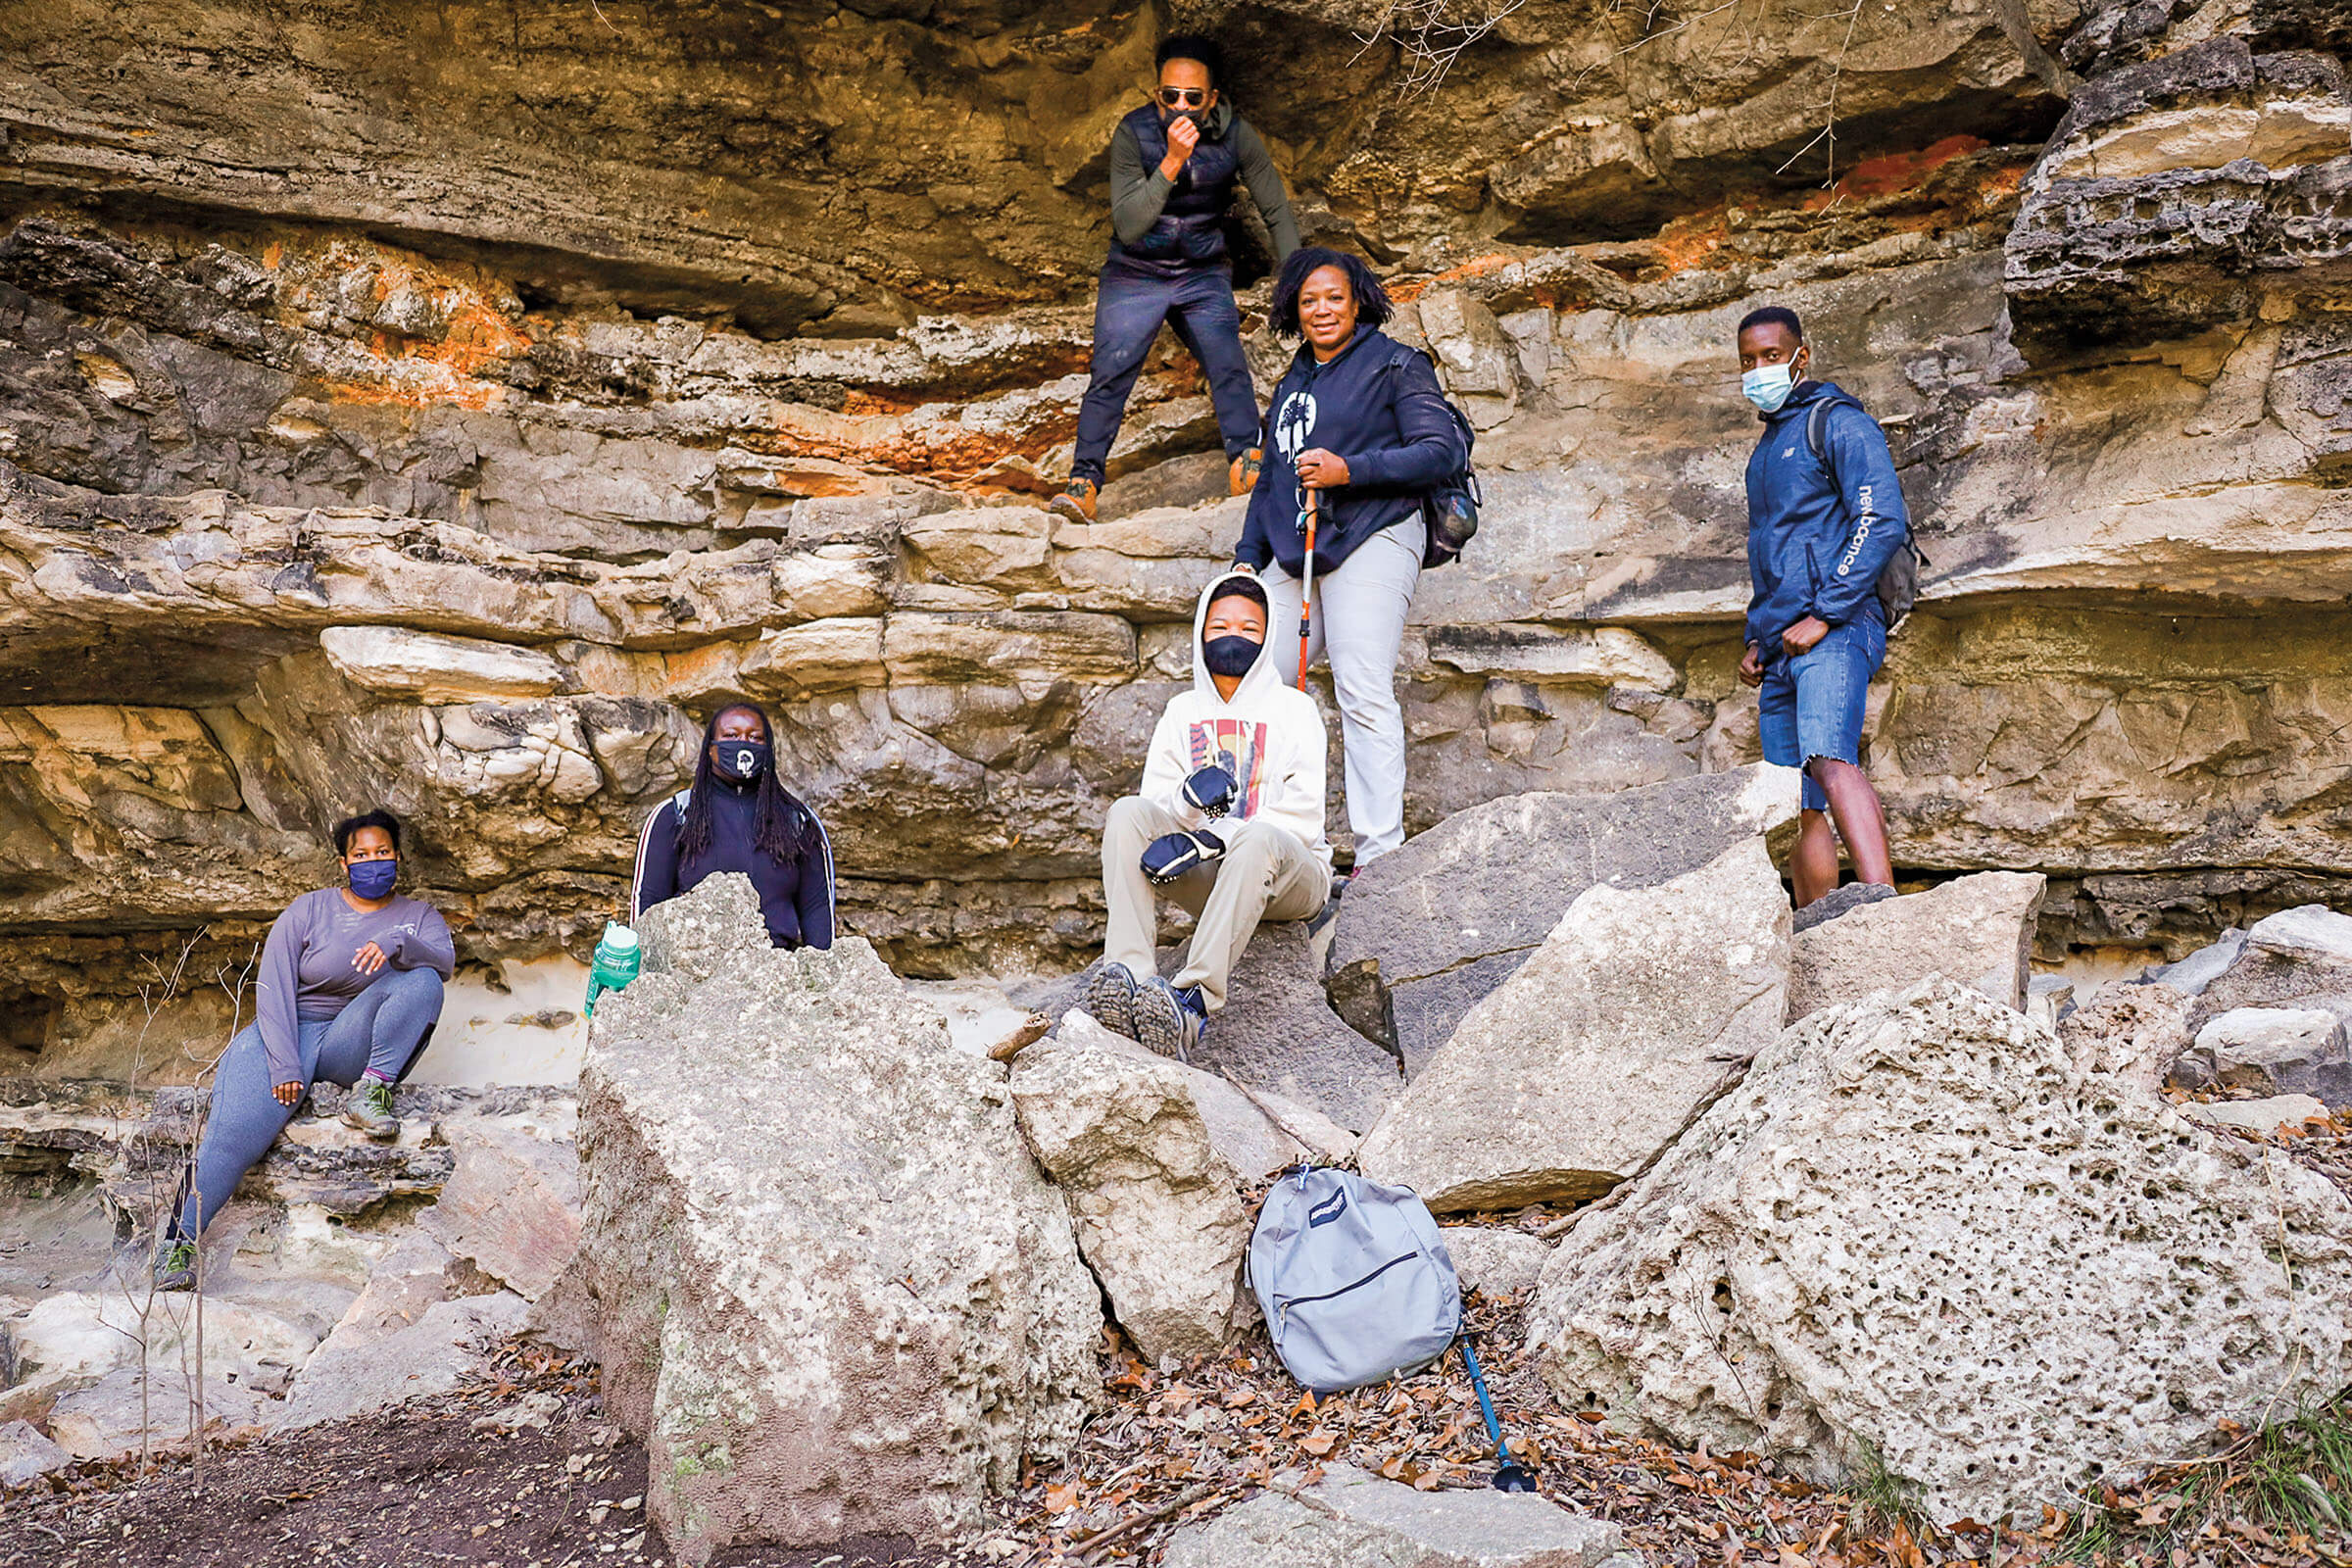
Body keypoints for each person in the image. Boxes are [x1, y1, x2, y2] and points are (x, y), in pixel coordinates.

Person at [1235, 245, 1468, 867]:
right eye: (1308, 300)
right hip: (1297, 552)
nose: (1322, 310)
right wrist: (1245, 560)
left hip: (1377, 532)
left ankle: (1378, 855)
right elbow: (1270, 483)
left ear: (1358, 300)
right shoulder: (1290, 383)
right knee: (1257, 681)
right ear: (1294, 310)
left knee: (1361, 687)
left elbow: (1439, 450)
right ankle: (1277, 841)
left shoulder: (1395, 365)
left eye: (1333, 296)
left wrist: (1349, 471)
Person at [155, 809, 453, 1290]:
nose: (373, 862)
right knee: (231, 1140)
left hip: (349, 1040)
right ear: (343, 862)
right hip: (289, 1030)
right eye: (361, 855)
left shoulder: (419, 917)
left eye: (382, 853)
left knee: (420, 982)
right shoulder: (309, 910)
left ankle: (370, 1093)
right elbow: (273, 989)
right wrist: (284, 1063)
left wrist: (399, 942)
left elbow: (442, 966)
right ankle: (177, 1246)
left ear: (398, 856)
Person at [1049, 33, 1300, 526]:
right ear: (1156, 94)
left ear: (1212, 98)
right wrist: (1170, 161)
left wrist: (1297, 282)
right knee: (1111, 371)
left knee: (1227, 361)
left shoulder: (1236, 135)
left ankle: (1247, 462)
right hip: (1135, 271)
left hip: (1202, 270)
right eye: (1169, 96)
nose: (1179, 106)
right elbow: (1130, 224)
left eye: (1191, 97)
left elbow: (1275, 208)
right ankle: (1083, 484)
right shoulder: (1133, 133)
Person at [1086, 570, 1331, 1059]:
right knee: (1127, 814)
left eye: (1248, 629)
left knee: (1258, 838)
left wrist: (1220, 834)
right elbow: (1156, 806)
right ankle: (1127, 975)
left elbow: (1303, 817)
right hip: (1214, 877)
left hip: (1291, 877)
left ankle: (1190, 1004)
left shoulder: (1296, 709)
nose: (1233, 637)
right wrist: (1188, 804)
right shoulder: (1182, 711)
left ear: (1267, 639)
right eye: (1220, 628)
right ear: (1200, 633)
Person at [1733, 304, 1909, 907]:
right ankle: (1814, 935)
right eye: (1748, 361)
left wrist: (1827, 612)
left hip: (1834, 629)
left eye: (1771, 357)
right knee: (1798, 802)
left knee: (1831, 760)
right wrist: (1757, 639)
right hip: (1781, 645)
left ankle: (1880, 906)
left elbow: (1881, 518)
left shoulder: (1837, 422)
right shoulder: (1765, 451)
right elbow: (1772, 554)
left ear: (1800, 358)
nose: (1759, 369)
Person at [632, 702, 836, 950]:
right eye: (731, 735)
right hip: (693, 969)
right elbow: (648, 900)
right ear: (711, 748)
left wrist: (822, 969)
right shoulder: (676, 814)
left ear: (768, 748)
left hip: (777, 970)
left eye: (755, 737)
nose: (744, 743)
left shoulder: (798, 821)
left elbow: (817, 906)